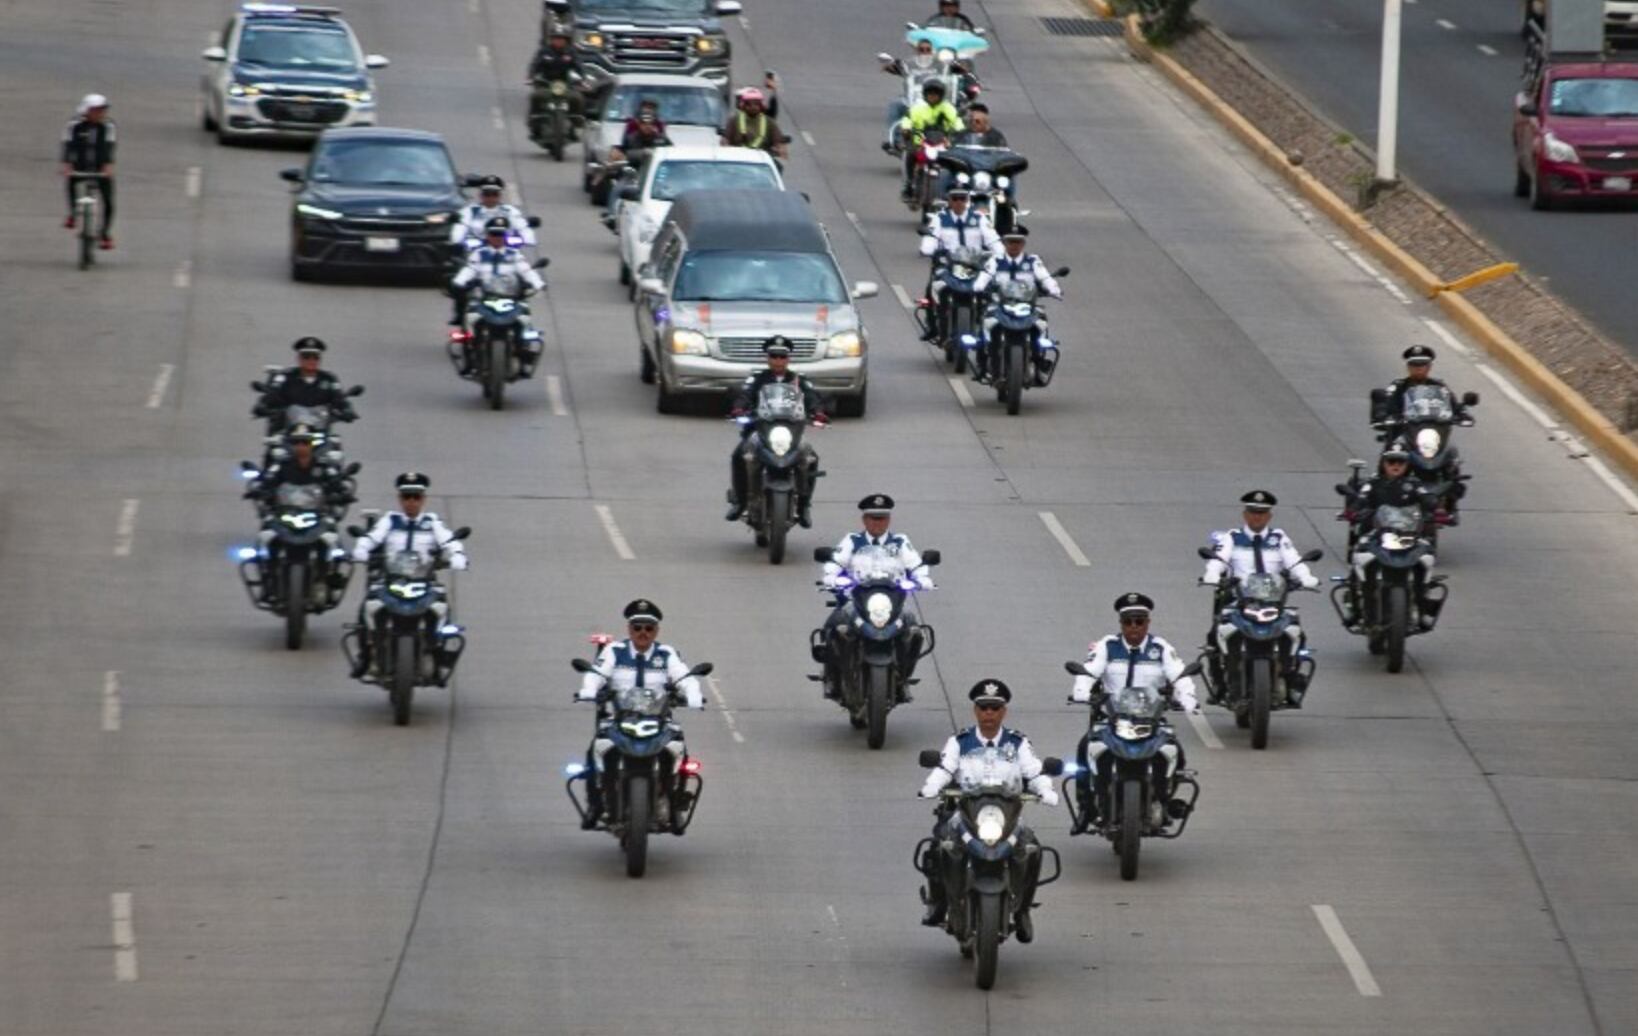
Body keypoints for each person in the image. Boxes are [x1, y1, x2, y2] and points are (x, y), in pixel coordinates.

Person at [917, 680, 1057, 941]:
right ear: (975, 711)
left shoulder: (1017, 742)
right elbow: (945, 768)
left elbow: (1034, 771)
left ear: (1003, 711)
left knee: (1031, 848)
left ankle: (1023, 910)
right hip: (967, 809)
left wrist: (1045, 790)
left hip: (1007, 811)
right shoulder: (960, 741)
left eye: (994, 708)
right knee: (940, 845)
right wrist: (931, 786)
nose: (989, 713)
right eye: (984, 708)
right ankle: (939, 903)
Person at [1067, 593, 1198, 833]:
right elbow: (1089, 671)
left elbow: (1179, 674)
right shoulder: (1108, 646)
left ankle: (1164, 800)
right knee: (1085, 748)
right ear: (1121, 624)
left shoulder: (1161, 648)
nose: (1134, 627)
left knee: (1175, 752)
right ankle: (1086, 807)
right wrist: (1081, 691)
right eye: (1128, 621)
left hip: (1151, 719)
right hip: (1112, 719)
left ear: (1148, 622)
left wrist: (1187, 697)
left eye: (1139, 621)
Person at [573, 599, 705, 829]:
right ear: (629, 629)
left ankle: (674, 804)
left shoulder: (666, 653)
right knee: (595, 752)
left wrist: (694, 694)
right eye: (637, 627)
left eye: (649, 628)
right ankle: (595, 804)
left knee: (679, 750)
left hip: (658, 719)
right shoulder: (614, 651)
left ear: (656, 630)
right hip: (619, 718)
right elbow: (596, 674)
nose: (643, 633)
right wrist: (589, 690)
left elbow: (685, 677)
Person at [1199, 489, 1320, 701]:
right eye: (1253, 512)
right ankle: (1220, 682)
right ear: (1245, 514)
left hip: (1273, 601)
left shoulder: (1278, 538)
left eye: (1262, 513)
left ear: (1269, 516)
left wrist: (1306, 577)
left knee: (1296, 633)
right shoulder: (1232, 538)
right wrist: (1212, 575)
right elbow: (1218, 560)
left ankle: (1290, 678)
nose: (1257, 516)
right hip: (1239, 600)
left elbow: (1293, 561)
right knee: (1215, 634)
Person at [349, 473, 469, 678]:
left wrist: (458, 556)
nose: (411, 502)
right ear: (400, 499)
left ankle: (437, 654)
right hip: (391, 579)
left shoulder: (432, 522)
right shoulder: (390, 520)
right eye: (406, 496)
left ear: (423, 499)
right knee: (368, 606)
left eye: (416, 496)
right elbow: (371, 538)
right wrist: (361, 549)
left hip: (424, 581)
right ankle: (367, 656)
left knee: (441, 607)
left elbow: (450, 541)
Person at [814, 494, 935, 698]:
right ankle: (832, 678)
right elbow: (836, 562)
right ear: (864, 519)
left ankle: (903, 677)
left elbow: (915, 565)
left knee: (914, 630)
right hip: (856, 599)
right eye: (873, 518)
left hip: (892, 600)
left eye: (882, 518)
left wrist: (922, 579)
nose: (877, 522)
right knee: (834, 625)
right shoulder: (853, 540)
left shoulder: (900, 541)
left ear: (889, 519)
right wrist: (830, 576)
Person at [725, 336, 828, 526]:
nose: (778, 361)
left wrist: (819, 412)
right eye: (774, 356)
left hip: (791, 432)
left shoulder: (798, 380)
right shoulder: (757, 378)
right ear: (768, 358)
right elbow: (745, 395)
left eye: (782, 357)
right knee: (739, 455)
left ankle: (804, 505)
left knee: (811, 457)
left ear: (788, 359)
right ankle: (740, 502)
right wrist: (739, 408)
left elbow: (812, 397)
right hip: (760, 430)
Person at [1371, 344, 1475, 523]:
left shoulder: (1440, 387)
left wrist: (1463, 414)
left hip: (1433, 435)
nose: (1418, 368)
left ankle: (1450, 503)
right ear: (1408, 366)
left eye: (1422, 364)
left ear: (1429, 366)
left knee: (1452, 454)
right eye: (1414, 364)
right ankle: (1378, 500)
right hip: (1405, 433)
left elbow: (1454, 406)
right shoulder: (1398, 387)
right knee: (1391, 454)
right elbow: (1385, 405)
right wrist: (1384, 415)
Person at [971, 226, 1061, 382]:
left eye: (1018, 242)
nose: (1014, 245)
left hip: (1026, 306)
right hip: (999, 305)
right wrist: (978, 286)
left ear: (1023, 244)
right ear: (1005, 243)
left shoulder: (1033, 261)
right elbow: (985, 276)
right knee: (985, 326)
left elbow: (1045, 277)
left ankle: (1039, 363)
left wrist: (1054, 289)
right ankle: (983, 364)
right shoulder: (995, 261)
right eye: (1011, 241)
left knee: (1041, 324)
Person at [917, 186, 1001, 342]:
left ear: (967, 201)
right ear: (949, 201)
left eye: (962, 199)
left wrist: (999, 252)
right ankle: (933, 327)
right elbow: (931, 237)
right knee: (932, 289)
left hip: (974, 265)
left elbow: (992, 239)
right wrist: (927, 249)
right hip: (948, 265)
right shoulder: (940, 218)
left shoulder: (979, 218)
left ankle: (987, 330)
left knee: (991, 292)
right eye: (955, 199)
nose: (958, 203)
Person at [255, 337, 358, 435]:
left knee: (334, 446)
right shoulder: (286, 377)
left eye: (315, 357)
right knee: (276, 445)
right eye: (306, 356)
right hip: (290, 433)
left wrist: (347, 410)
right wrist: (262, 405)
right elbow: (273, 395)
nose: (311, 361)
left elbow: (339, 399)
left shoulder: (329, 379)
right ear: (299, 358)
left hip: (319, 434)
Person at [61, 93, 117, 249]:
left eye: (102, 110)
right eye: (96, 110)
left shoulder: (108, 126)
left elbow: (110, 145)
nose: (100, 113)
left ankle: (104, 234)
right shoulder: (74, 125)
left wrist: (108, 165)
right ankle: (73, 213)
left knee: (109, 202)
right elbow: (68, 144)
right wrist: (67, 164)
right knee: (71, 182)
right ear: (86, 110)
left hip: (100, 168)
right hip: (80, 165)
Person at [897, 80, 964, 199]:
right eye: (930, 94)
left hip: (942, 142)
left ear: (941, 95)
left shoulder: (948, 108)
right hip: (919, 141)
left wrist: (960, 131)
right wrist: (906, 129)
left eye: (936, 94)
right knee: (909, 155)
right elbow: (907, 119)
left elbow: (957, 121)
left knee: (957, 159)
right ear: (925, 94)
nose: (932, 96)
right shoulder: (918, 108)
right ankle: (909, 184)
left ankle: (956, 185)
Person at [450, 176, 535, 250]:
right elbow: (461, 226)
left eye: (495, 194)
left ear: (500, 196)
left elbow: (522, 226)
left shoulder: (510, 211)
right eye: (487, 194)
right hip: (476, 253)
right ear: (480, 195)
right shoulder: (470, 211)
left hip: (507, 252)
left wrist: (528, 239)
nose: (491, 198)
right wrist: (456, 240)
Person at [527, 29, 584, 136]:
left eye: (561, 39)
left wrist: (583, 79)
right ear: (551, 40)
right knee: (536, 96)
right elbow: (535, 64)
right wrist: (531, 77)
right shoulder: (544, 51)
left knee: (577, 98)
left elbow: (578, 66)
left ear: (566, 40)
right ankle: (535, 122)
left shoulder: (571, 52)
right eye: (556, 38)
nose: (558, 41)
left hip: (565, 85)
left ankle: (574, 125)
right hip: (546, 83)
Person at [721, 87, 788, 160]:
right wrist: (725, 151)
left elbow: (778, 142)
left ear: (761, 106)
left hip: (761, 160)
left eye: (756, 104)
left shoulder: (769, 122)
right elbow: (725, 140)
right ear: (743, 106)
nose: (753, 107)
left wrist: (781, 150)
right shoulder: (734, 120)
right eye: (749, 104)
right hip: (737, 159)